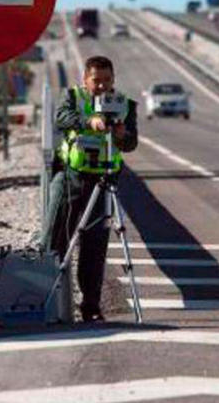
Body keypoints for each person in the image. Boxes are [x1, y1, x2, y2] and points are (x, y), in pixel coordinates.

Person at [40, 55, 138, 322]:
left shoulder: (125, 105)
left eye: (107, 80)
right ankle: (46, 302)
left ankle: (91, 306)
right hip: (72, 177)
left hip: (104, 182)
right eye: (96, 80)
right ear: (85, 80)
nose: (102, 86)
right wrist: (89, 122)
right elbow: (61, 118)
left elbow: (131, 143)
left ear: (113, 80)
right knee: (55, 240)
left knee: (95, 247)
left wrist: (121, 136)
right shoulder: (73, 97)